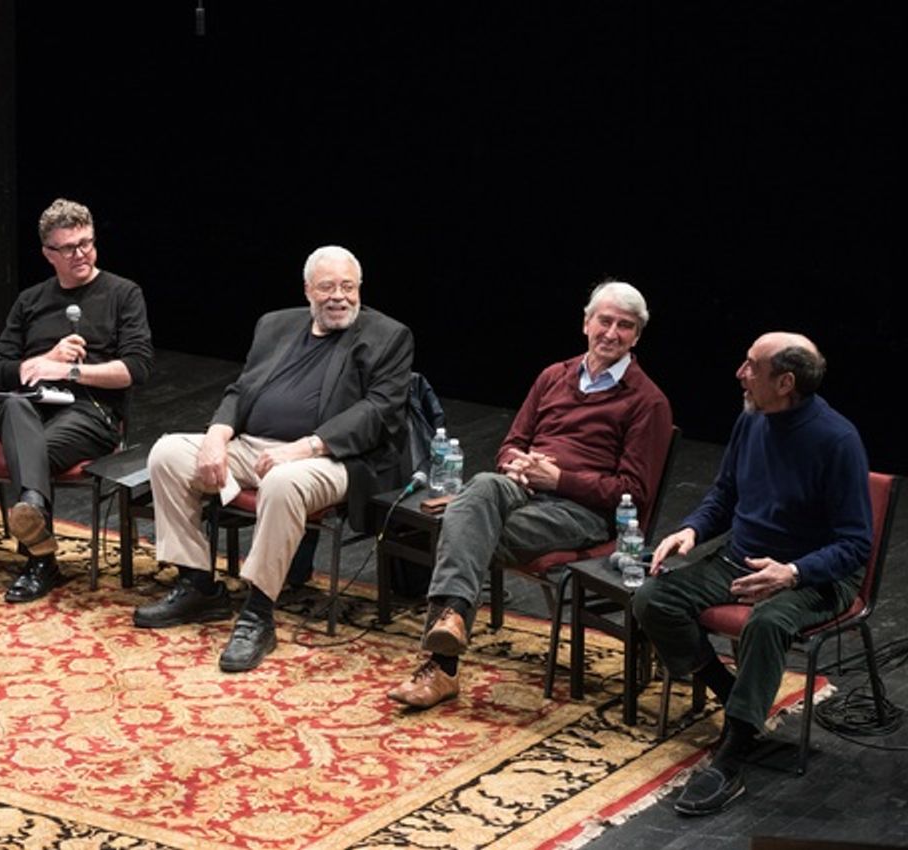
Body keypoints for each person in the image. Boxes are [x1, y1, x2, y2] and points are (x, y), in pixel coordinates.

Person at [388, 280, 672, 708]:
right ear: (586, 323)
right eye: (605, 321)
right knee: (483, 485)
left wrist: (559, 479)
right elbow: (510, 443)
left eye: (625, 326)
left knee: (462, 522)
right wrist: (516, 465)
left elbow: (632, 492)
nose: (612, 333)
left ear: (638, 335)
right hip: (522, 492)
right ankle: (447, 632)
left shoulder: (647, 402)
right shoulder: (553, 376)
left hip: (581, 512)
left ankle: (441, 662)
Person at [134, 245, 413, 672]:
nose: (338, 296)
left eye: (348, 287)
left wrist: (304, 447)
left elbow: (379, 411)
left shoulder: (388, 336)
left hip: (334, 459)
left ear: (360, 289)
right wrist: (216, 435)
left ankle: (258, 615)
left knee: (282, 482)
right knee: (169, 453)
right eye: (327, 287)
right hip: (256, 446)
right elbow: (241, 390)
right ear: (308, 291)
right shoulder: (275, 325)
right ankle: (197, 586)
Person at [633, 332, 871, 816]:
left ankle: (732, 754)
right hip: (742, 558)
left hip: (817, 573)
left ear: (785, 382)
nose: (740, 373)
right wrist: (693, 531)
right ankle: (737, 700)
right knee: (652, 599)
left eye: (751, 367)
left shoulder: (837, 439)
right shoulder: (752, 420)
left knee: (766, 624)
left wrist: (795, 571)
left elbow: (855, 544)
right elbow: (724, 495)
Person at [0, 198, 153, 603]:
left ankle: (38, 554)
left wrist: (72, 372)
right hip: (32, 409)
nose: (80, 254)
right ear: (48, 254)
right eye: (69, 248)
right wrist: (44, 360)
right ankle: (35, 518)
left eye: (87, 243)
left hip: (91, 412)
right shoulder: (30, 301)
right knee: (11, 405)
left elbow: (137, 368)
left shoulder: (123, 293)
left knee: (28, 452)